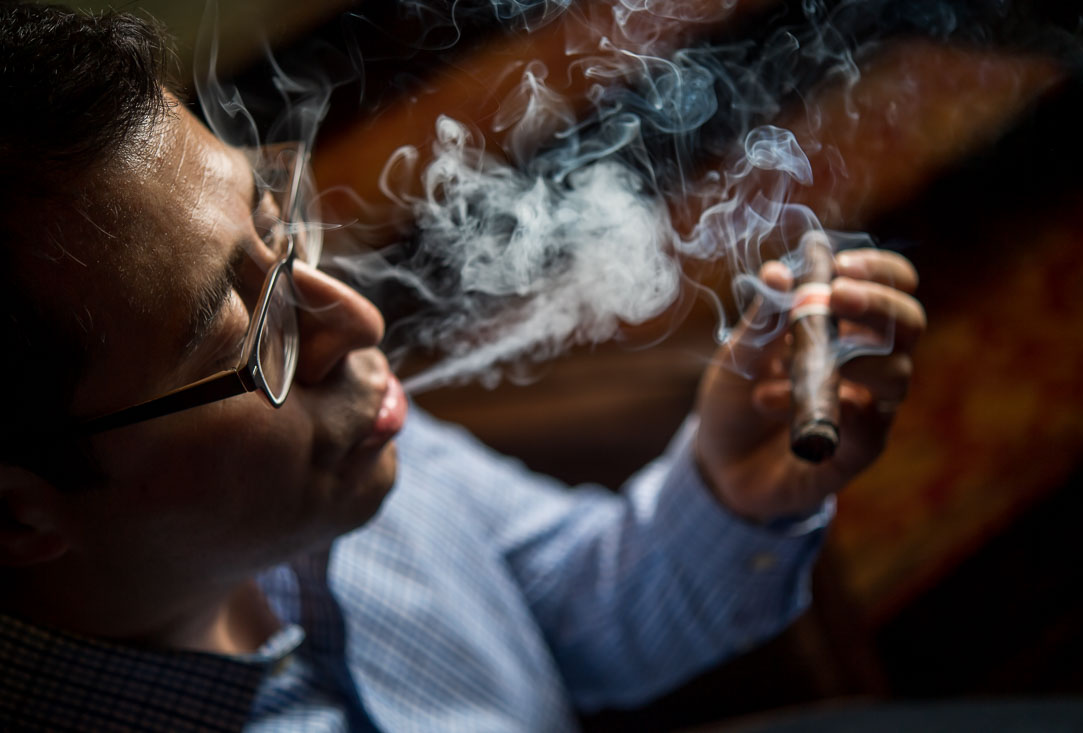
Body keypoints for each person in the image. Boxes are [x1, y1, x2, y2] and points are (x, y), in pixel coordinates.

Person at [0, 4, 925, 732]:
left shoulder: (338, 458)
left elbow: (572, 618)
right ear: (18, 512)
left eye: (276, 228)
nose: (354, 320)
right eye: (242, 334)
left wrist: (731, 489)